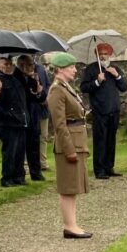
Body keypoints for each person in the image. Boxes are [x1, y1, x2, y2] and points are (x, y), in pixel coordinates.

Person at [46, 52, 91, 238]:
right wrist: (69, 149)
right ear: (60, 69)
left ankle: (72, 224)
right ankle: (69, 226)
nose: (74, 70)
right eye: (71, 67)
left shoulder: (65, 87)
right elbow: (59, 124)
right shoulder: (57, 90)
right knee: (68, 187)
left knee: (73, 187)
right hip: (69, 143)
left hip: (77, 140)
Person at [80, 42, 127, 179]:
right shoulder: (91, 69)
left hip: (114, 110)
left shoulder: (115, 69)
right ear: (97, 55)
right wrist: (97, 81)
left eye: (105, 54)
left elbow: (124, 87)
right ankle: (99, 170)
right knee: (100, 141)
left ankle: (109, 167)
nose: (103, 56)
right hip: (100, 111)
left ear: (110, 55)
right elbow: (84, 88)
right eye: (100, 54)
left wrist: (117, 76)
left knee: (111, 140)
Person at [0, 55, 29, 187]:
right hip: (8, 121)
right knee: (10, 151)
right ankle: (7, 177)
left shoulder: (15, 80)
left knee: (20, 151)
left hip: (20, 119)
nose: (8, 67)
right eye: (5, 64)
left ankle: (19, 176)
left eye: (10, 64)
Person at [16, 54, 46, 180]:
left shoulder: (32, 78)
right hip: (21, 117)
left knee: (34, 146)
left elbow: (42, 96)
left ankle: (36, 172)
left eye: (32, 64)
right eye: (30, 65)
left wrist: (39, 91)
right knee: (20, 148)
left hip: (33, 116)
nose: (32, 67)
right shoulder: (16, 78)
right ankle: (19, 173)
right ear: (22, 65)